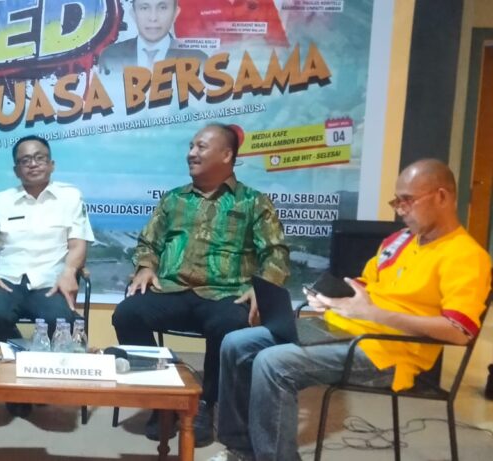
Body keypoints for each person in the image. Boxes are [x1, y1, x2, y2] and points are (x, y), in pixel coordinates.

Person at [210, 159, 492, 461]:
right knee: (236, 343)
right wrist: (331, 298)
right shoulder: (400, 240)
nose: (400, 209)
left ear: (442, 197)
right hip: (341, 330)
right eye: (396, 201)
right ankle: (241, 451)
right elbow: (365, 284)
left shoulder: (466, 256)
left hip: (389, 354)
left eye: (407, 200)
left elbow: (459, 331)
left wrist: (375, 315)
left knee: (273, 363)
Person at [112, 123, 289, 446]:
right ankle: (162, 398)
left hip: (226, 293)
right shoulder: (174, 199)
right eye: (191, 146)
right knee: (127, 313)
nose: (191, 153)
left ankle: (206, 404)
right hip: (173, 289)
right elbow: (148, 242)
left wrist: (262, 286)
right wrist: (146, 266)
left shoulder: (253, 202)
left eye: (201, 147)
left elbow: (275, 252)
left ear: (226, 155)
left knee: (231, 324)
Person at [0, 134, 94, 416]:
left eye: (39, 158)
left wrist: (70, 271)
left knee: (63, 321)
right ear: (16, 170)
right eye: (25, 160)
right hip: (7, 281)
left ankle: (33, 375)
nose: (33, 164)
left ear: (52, 164)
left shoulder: (70, 197)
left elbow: (78, 244)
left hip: (50, 282)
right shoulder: (0, 202)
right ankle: (22, 370)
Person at [100, 0, 208, 74]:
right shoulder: (110, 56)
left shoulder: (198, 59)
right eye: (144, 8)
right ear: (133, 14)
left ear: (175, 13)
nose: (153, 18)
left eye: (162, 8)